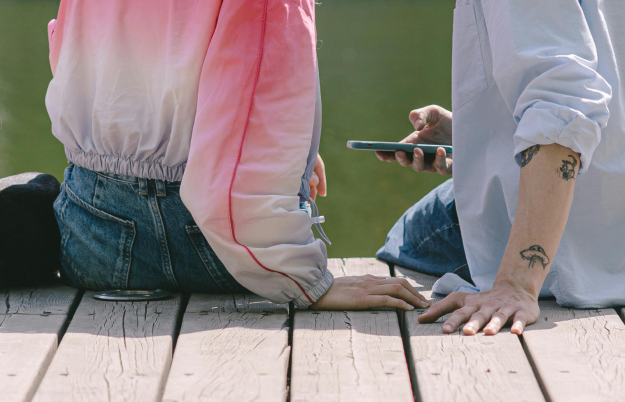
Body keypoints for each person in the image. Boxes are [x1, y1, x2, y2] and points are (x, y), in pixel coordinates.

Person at [45, 0, 428, 310]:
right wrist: (305, 281)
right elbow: (227, 188)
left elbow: (73, 57)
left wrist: (288, 144)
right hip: (215, 255)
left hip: (93, 239)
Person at [376, 0, 624, 335]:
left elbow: (561, 107)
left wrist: (516, 284)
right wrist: (476, 138)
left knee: (409, 235)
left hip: (587, 237)